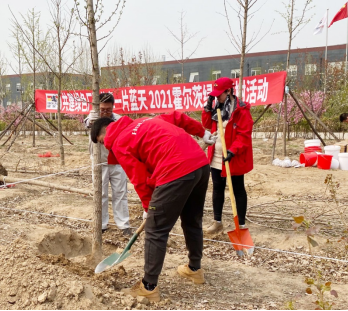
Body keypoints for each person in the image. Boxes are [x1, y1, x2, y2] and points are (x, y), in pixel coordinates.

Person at [90, 111, 216, 302]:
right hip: (199, 164)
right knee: (192, 220)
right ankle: (194, 269)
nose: (105, 146)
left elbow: (139, 179)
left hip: (175, 170)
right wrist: (201, 132)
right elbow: (178, 117)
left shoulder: (119, 142)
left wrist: (149, 207)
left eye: (101, 141)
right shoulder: (147, 121)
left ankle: (148, 287)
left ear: (105, 131)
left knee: (155, 230)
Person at [202, 77, 254, 235]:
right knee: (217, 188)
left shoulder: (241, 110)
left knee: (237, 189)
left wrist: (232, 151)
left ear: (229, 91)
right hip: (216, 155)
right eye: (214, 95)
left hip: (234, 156)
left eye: (219, 94)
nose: (217, 97)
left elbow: (244, 134)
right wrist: (207, 107)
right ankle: (217, 222)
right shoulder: (216, 108)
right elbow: (206, 125)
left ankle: (242, 225)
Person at [85, 93, 132, 237]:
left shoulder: (118, 120)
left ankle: (123, 225)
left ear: (113, 107)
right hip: (100, 162)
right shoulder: (93, 117)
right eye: (102, 109)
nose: (105, 112)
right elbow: (86, 123)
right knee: (101, 194)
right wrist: (92, 120)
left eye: (108, 109)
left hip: (118, 162)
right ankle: (102, 224)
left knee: (120, 193)